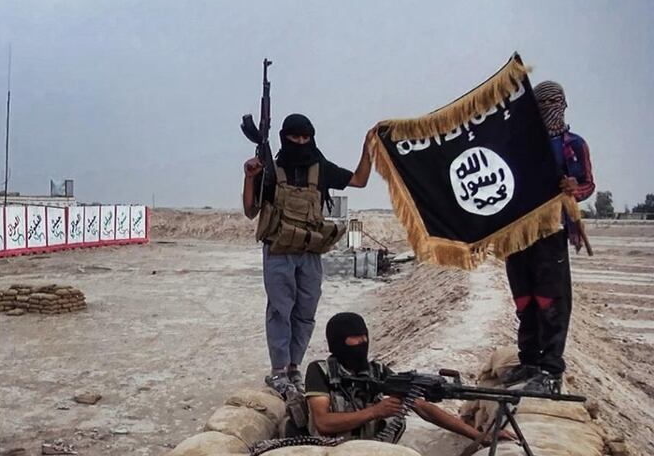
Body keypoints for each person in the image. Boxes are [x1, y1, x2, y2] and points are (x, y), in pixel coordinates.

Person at [242, 113, 372, 394]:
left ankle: (293, 368)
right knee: (280, 311)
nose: (300, 142)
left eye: (305, 137)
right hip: (279, 250)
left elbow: (360, 180)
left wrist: (368, 148)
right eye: (294, 137)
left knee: (305, 312)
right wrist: (249, 177)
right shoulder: (272, 170)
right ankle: (278, 371)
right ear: (284, 138)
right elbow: (251, 211)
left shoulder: (320, 168)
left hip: (310, 250)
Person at [502, 81, 595, 393]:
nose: (552, 109)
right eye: (544, 104)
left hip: (551, 232)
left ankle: (551, 370)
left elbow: (587, 185)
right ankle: (528, 361)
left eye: (556, 103)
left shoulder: (574, 145)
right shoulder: (519, 145)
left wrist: (573, 188)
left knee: (551, 300)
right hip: (517, 234)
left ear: (564, 105)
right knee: (524, 299)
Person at [304, 312, 514, 443]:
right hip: (329, 449)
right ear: (338, 342)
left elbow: (425, 409)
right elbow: (324, 423)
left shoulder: (378, 371)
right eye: (355, 338)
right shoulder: (320, 371)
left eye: (364, 336)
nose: (362, 342)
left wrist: (478, 436)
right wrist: (375, 412)